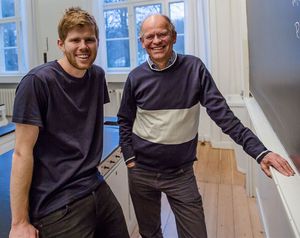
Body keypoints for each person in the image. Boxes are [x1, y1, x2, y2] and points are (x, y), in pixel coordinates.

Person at [117, 14, 295, 238]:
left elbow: (224, 116)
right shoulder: (135, 77)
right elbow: (124, 119)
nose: (156, 41)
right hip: (141, 172)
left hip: (180, 174)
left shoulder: (194, 68)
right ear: (142, 42)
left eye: (162, 34)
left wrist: (259, 152)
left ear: (173, 36)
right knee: (150, 233)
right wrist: (129, 157)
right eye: (149, 36)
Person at [9, 7, 129, 238]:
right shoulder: (37, 83)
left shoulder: (97, 76)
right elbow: (22, 152)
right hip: (56, 201)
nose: (83, 46)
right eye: (75, 40)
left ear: (97, 42)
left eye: (89, 40)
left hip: (94, 184)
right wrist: (19, 222)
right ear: (61, 43)